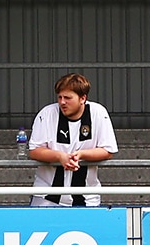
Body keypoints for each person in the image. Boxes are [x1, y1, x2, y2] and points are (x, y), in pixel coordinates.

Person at [28, 73, 118, 206]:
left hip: (87, 199)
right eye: (60, 97)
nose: (62, 102)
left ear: (83, 98)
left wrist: (81, 155)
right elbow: (34, 151)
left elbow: (108, 151)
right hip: (46, 198)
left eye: (67, 98)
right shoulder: (46, 114)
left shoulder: (98, 113)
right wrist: (60, 157)